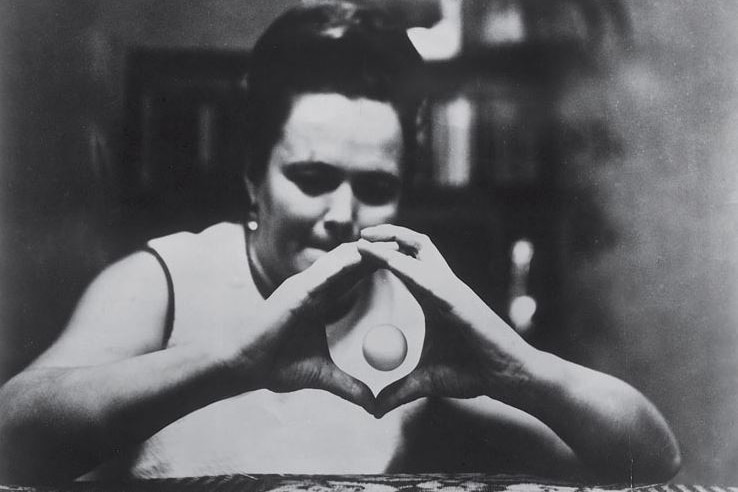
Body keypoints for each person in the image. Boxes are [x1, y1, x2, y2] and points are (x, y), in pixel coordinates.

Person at [0, 1, 680, 485]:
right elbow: (11, 439)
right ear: (252, 175)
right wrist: (232, 363)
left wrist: (520, 372)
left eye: (376, 185)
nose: (343, 214)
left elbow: (649, 458)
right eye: (313, 177)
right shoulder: (162, 280)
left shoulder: (415, 313)